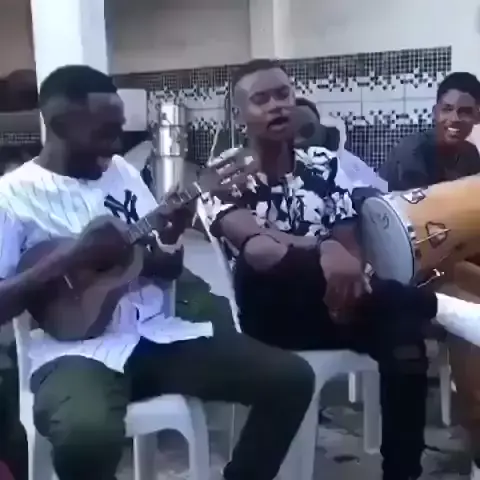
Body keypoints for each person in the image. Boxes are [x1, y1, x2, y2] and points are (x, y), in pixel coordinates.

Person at [0, 65, 318, 480]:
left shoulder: (122, 172)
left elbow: (165, 266)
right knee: (84, 436)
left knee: (292, 378)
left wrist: (170, 234)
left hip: (158, 336)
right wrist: (69, 257)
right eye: (104, 131)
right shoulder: (12, 197)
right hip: (74, 353)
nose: (117, 142)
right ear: (60, 125)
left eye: (119, 128)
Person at [205, 58, 431, 480]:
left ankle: (402, 473)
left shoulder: (323, 164)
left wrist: (344, 275)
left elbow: (350, 248)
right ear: (239, 115)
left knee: (404, 336)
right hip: (270, 314)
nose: (276, 105)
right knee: (271, 261)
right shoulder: (225, 174)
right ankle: (435, 305)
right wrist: (322, 247)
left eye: (283, 94)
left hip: (334, 303)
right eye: (261, 99)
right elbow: (257, 247)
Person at [380, 71, 480, 477]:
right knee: (470, 310)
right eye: (447, 109)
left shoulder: (470, 157)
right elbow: (418, 240)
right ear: (435, 110)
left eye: (465, 111)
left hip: (450, 259)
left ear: (477, 116)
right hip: (410, 273)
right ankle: (476, 426)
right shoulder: (412, 155)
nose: (454, 118)